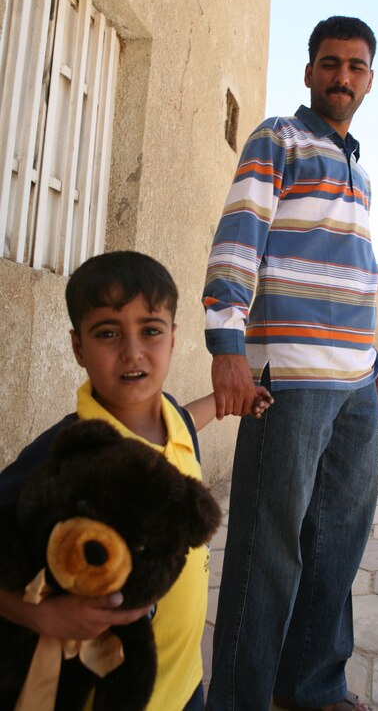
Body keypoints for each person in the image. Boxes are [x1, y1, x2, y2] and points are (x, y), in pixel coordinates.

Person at [202, 16, 378, 711]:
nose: (343, 76)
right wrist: (226, 343)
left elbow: (355, 272)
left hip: (353, 386)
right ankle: (242, 699)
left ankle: (311, 686)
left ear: (369, 79)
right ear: (309, 71)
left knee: (338, 539)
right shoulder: (277, 137)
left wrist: (372, 357)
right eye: (331, 63)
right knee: (267, 546)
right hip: (288, 377)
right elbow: (239, 236)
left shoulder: (361, 174)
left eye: (356, 67)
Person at [0, 250, 272, 711]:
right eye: (108, 333)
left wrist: (228, 402)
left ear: (171, 339)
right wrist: (42, 616)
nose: (132, 351)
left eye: (150, 330)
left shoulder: (172, 419)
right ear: (78, 347)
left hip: (186, 683)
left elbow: (187, 419)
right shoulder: (68, 454)